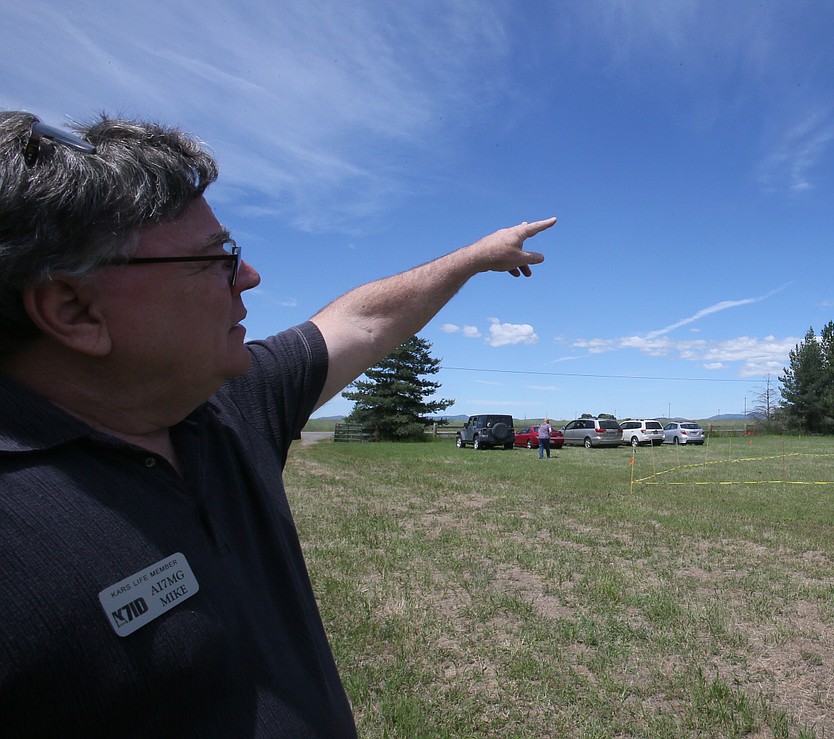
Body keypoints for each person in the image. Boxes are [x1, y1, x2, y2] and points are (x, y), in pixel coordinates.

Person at [0, 111, 555, 737]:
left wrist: (476, 257)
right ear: (73, 310)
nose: (249, 276)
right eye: (215, 259)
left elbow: (363, 324)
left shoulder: (228, 404)